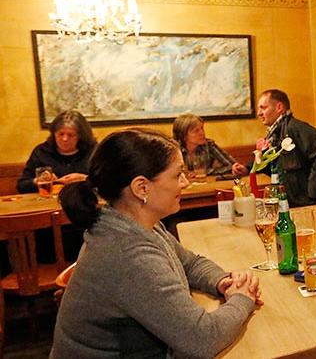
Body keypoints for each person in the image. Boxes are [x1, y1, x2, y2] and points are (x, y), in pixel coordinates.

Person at [52, 128, 262, 358]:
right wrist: (243, 298)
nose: (185, 183)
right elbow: (203, 338)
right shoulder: (128, 254)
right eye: (177, 174)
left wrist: (224, 281)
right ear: (142, 187)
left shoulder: (134, 222)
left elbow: (189, 263)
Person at [257, 89, 316, 206]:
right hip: (291, 203)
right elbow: (277, 168)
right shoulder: (276, 133)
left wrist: (312, 192)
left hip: (304, 204)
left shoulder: (293, 128)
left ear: (279, 107)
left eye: (263, 108)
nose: (259, 113)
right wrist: (261, 155)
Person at [17, 110, 96, 194]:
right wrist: (38, 180)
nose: (65, 139)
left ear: (81, 136)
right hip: (48, 202)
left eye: (70, 135)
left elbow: (109, 182)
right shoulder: (41, 152)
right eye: (61, 134)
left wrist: (85, 179)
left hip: (86, 201)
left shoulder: (93, 151)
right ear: (53, 133)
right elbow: (21, 186)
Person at [172, 113, 248, 179]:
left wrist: (206, 172)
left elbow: (233, 166)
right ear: (183, 136)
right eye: (196, 131)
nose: (202, 133)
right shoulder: (174, 150)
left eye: (202, 128)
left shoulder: (209, 145)